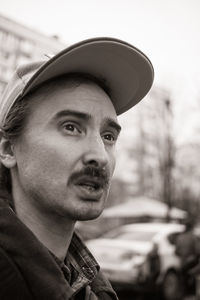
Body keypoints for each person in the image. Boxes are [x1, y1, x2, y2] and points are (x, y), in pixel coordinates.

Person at [0, 37, 154, 299]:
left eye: (108, 136)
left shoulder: (87, 285)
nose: (100, 156)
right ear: (8, 150)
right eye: (71, 127)